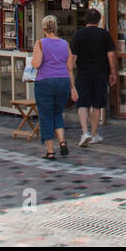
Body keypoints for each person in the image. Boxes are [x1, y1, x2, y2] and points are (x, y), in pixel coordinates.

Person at [31, 15, 77, 159]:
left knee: (46, 115)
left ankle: (50, 150)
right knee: (57, 112)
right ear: (56, 28)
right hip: (63, 81)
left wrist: (32, 61)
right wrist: (73, 87)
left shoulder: (40, 43)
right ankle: (62, 142)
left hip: (45, 81)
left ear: (44, 28)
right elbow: (70, 67)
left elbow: (37, 64)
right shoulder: (65, 44)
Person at [71, 8, 117, 147]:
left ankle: (85, 132)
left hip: (83, 73)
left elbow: (73, 58)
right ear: (99, 20)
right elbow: (111, 55)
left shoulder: (78, 35)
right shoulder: (104, 34)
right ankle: (94, 133)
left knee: (82, 103)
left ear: (86, 20)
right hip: (100, 73)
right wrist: (113, 72)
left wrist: (70, 73)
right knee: (97, 104)